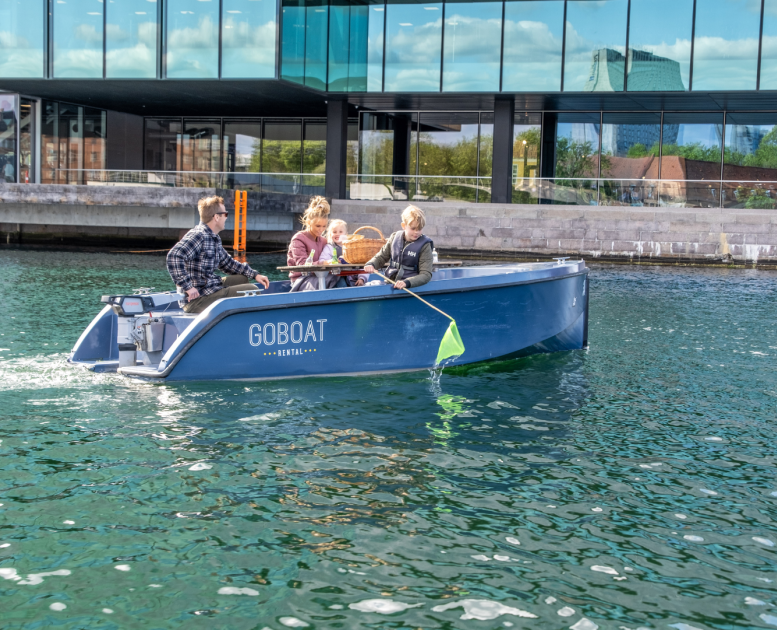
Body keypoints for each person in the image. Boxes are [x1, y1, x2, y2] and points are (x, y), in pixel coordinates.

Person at [166, 195, 269, 313]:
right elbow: (174, 256)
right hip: (196, 299)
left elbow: (229, 264)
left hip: (208, 287)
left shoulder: (213, 238)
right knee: (251, 290)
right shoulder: (199, 236)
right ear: (216, 217)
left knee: (242, 278)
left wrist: (255, 275)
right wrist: (188, 287)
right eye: (225, 214)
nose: (226, 217)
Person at [364, 205, 433, 290]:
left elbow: (426, 275)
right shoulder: (394, 237)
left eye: (420, 229)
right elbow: (381, 257)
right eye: (413, 228)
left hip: (410, 287)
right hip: (390, 283)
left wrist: (406, 283)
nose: (416, 232)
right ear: (403, 226)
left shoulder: (425, 246)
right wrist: (371, 264)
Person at [287, 195, 334, 292]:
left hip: (319, 277)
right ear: (308, 222)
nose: (321, 230)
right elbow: (302, 265)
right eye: (318, 226)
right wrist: (323, 263)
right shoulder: (298, 239)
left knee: (341, 278)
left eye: (324, 226)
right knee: (333, 280)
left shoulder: (324, 241)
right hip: (301, 280)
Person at [319, 219, 366, 287]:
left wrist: (362, 278)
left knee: (360, 286)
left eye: (340, 232)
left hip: (352, 277)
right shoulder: (329, 247)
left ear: (346, 234)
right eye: (334, 232)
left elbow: (361, 263)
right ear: (330, 234)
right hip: (336, 277)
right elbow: (323, 260)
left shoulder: (352, 247)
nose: (337, 234)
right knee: (342, 284)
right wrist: (331, 262)